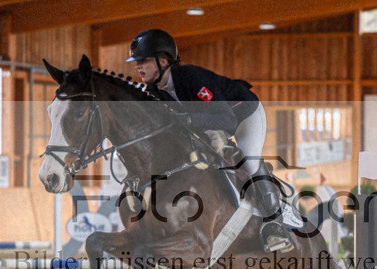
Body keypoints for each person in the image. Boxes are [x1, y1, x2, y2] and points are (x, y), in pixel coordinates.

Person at [125, 28, 292, 253]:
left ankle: (275, 224)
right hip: (207, 127)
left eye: (143, 60)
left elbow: (227, 120)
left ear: (163, 61)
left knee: (248, 162)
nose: (137, 66)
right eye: (136, 61)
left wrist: (189, 119)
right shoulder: (155, 93)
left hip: (243, 115)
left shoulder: (191, 78)